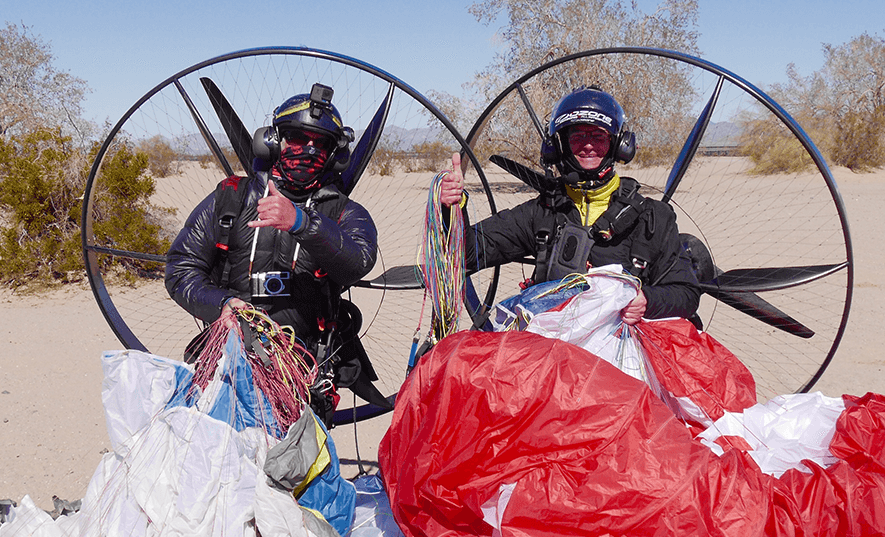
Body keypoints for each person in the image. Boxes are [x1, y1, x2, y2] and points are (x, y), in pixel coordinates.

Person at [165, 84, 380, 422]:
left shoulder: (344, 213)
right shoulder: (230, 199)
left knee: (296, 455)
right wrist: (221, 304)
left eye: (321, 143)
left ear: (335, 155)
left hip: (305, 371)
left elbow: (358, 262)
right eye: (297, 138)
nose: (309, 150)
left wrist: (303, 223)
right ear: (272, 141)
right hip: (227, 363)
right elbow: (181, 269)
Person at [437, 85, 701, 325]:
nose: (588, 145)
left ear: (619, 145)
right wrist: (453, 207)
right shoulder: (542, 212)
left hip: (622, 349)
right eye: (577, 136)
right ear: (557, 145)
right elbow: (466, 254)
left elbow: (686, 294)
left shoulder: (652, 218)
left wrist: (647, 301)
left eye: (598, 136)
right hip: (551, 347)